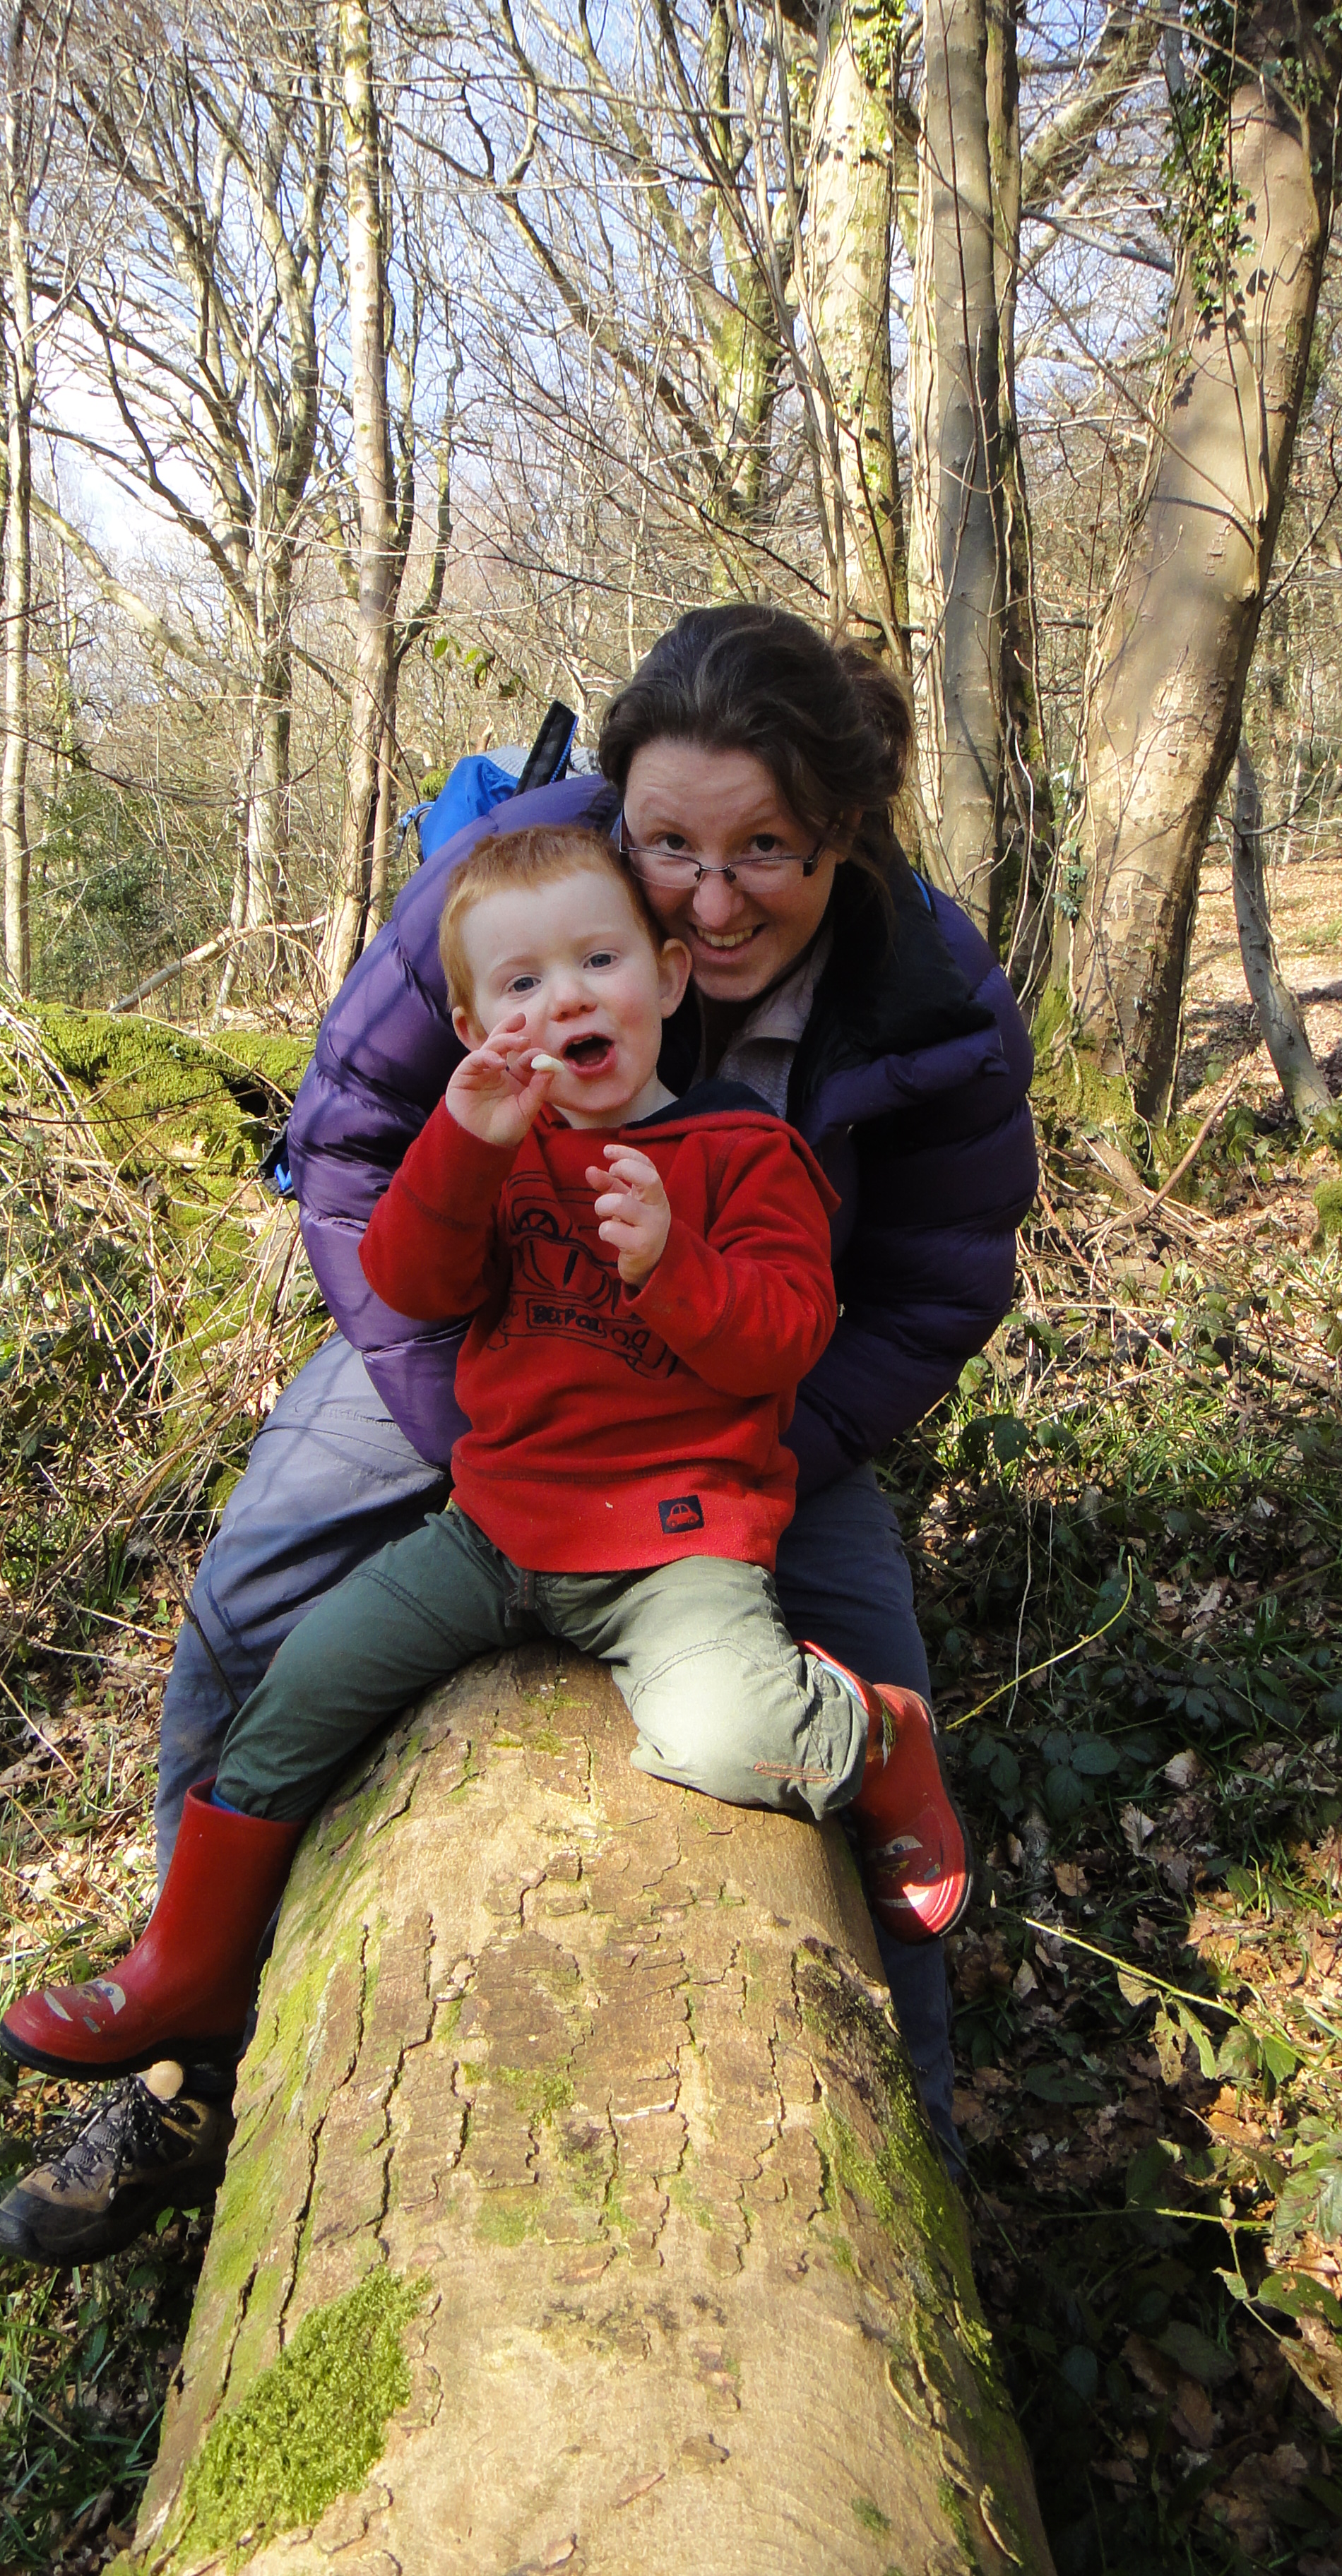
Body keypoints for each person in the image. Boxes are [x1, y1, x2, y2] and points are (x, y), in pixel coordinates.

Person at [0, 604, 1037, 2263]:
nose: (709, 902)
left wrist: (760, 1454)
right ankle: (186, 2063)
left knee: (851, 1656)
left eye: (765, 851)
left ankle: (911, 2173)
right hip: (473, 1351)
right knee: (252, 1613)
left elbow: (933, 1283)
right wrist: (465, 1425)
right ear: (615, 816)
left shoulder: (929, 993)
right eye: (670, 849)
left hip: (746, 1397)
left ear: (843, 835)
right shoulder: (510, 894)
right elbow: (351, 1154)